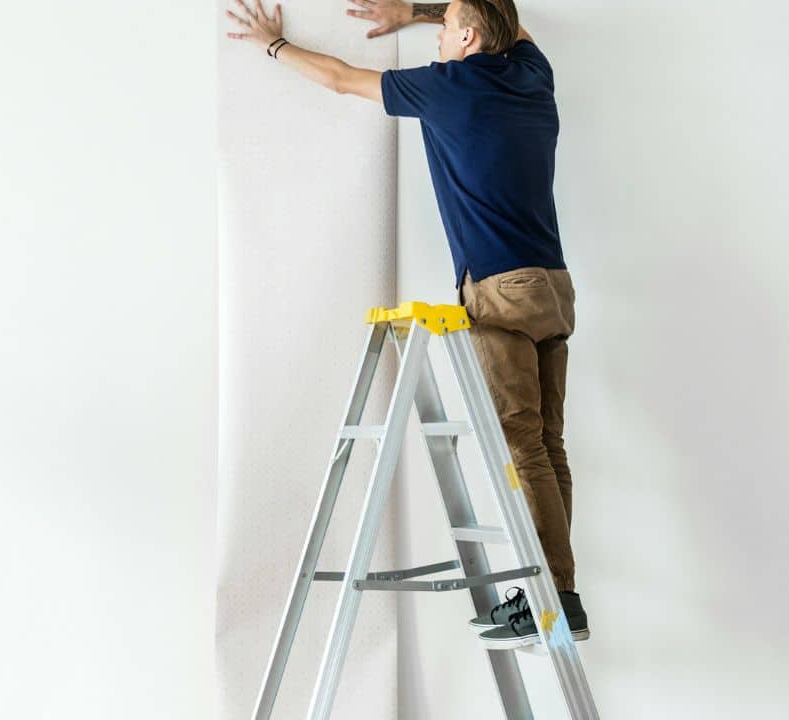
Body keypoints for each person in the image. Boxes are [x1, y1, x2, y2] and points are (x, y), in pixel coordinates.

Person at [226, 0, 587, 648]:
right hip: (554, 288)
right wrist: (418, 10)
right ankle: (560, 595)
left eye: (447, 26)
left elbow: (340, 78)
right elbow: (516, 25)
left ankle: (548, 603)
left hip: (500, 291)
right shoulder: (532, 71)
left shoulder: (448, 87)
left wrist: (273, 46)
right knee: (547, 446)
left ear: (469, 37)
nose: (439, 35)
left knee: (521, 447)